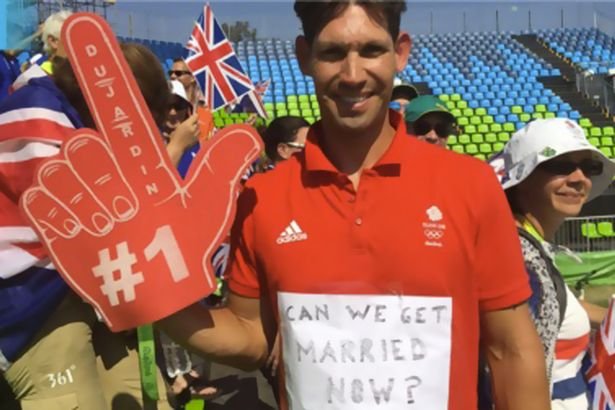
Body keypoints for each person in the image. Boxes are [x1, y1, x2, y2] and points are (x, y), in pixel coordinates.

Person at [159, 2, 550, 409]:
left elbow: (511, 350)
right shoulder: (263, 196)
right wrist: (150, 291)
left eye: (371, 50)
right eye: (332, 53)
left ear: (400, 52)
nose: (352, 74)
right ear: (303, 57)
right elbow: (250, 336)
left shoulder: (470, 184)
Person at [0, 43, 171, 409]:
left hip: (97, 291)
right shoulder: (34, 112)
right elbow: (72, 221)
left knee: (149, 399)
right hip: (34, 300)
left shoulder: (75, 119)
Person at [493, 118, 615, 409]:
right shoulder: (518, 257)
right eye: (560, 165)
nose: (579, 178)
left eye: (589, 168)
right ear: (521, 179)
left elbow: (557, 307)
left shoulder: (530, 247)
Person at [164, 80, 200, 167]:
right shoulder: (147, 142)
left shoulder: (201, 145)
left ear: (187, 109)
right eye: (167, 105)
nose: (173, 112)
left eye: (179, 105)